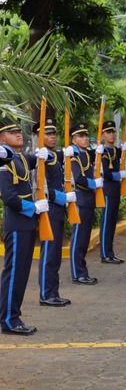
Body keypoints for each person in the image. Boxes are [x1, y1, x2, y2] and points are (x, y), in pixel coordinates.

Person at [0, 120, 49, 334]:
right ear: (2, 139)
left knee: (21, 274)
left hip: (27, 224)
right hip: (18, 223)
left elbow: (31, 159)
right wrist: (34, 207)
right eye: (12, 132)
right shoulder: (4, 163)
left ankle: (13, 315)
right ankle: (9, 320)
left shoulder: (19, 157)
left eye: (19, 131)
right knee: (14, 274)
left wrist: (42, 154)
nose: (18, 134)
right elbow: (9, 198)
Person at [35, 117, 76, 307]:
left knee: (56, 255)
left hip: (58, 211)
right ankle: (46, 294)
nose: (53, 137)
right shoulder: (40, 157)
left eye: (54, 134)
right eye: (48, 134)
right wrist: (63, 197)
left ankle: (54, 291)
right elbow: (42, 187)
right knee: (49, 254)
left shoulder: (53, 156)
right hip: (49, 210)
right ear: (39, 136)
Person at [64, 122, 101, 285]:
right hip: (80, 201)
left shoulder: (86, 154)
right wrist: (95, 184)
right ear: (73, 140)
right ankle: (77, 273)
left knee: (84, 239)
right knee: (78, 239)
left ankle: (82, 271)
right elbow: (78, 179)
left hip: (88, 201)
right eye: (81, 136)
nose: (85, 138)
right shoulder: (74, 156)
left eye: (86, 135)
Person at [98, 120, 126, 264]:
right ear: (103, 135)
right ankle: (105, 254)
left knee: (112, 222)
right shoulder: (102, 151)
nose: (112, 135)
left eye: (113, 132)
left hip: (115, 189)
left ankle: (110, 252)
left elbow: (123, 154)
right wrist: (119, 175)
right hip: (107, 189)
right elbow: (106, 173)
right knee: (106, 222)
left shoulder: (115, 150)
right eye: (108, 132)